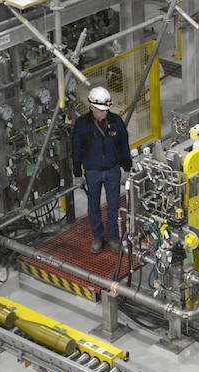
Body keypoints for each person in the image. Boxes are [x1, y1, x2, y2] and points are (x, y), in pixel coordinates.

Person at [72, 86, 132, 254]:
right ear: (91, 107)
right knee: (93, 206)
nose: (104, 113)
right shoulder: (82, 125)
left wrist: (126, 168)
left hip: (113, 170)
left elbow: (124, 145)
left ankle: (113, 236)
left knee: (113, 205)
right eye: (100, 110)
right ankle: (98, 237)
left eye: (106, 110)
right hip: (92, 172)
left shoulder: (116, 122)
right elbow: (76, 150)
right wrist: (77, 174)